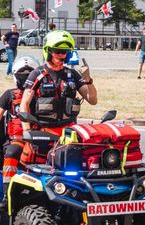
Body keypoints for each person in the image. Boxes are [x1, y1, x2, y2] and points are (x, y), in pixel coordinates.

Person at [19, 30, 97, 160]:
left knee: (74, 164)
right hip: (43, 133)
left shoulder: (73, 74)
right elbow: (24, 105)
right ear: (48, 51)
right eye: (58, 51)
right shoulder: (37, 74)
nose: (61, 55)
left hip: (68, 133)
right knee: (34, 164)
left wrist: (88, 80)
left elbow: (93, 100)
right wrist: (27, 131)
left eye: (64, 52)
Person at [0, 56, 40, 212]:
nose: (26, 79)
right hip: (17, 140)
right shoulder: (9, 95)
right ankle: (8, 196)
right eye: (22, 75)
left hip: (40, 139)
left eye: (29, 75)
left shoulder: (43, 96)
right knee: (12, 153)